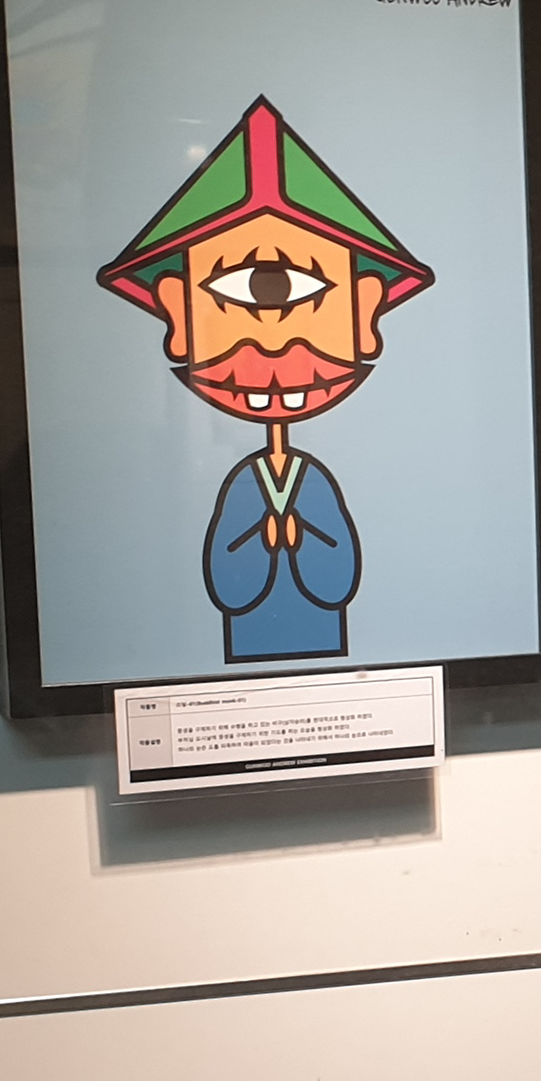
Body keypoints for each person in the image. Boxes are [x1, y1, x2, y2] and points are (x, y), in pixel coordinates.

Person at [96, 95, 435, 663]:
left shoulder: (314, 481)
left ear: (365, 310)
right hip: (251, 626)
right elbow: (226, 575)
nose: (272, 345)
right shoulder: (242, 483)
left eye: (289, 289)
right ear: (176, 314)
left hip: (318, 621)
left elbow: (338, 573)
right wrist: (259, 537)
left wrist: (303, 538)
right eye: (245, 290)